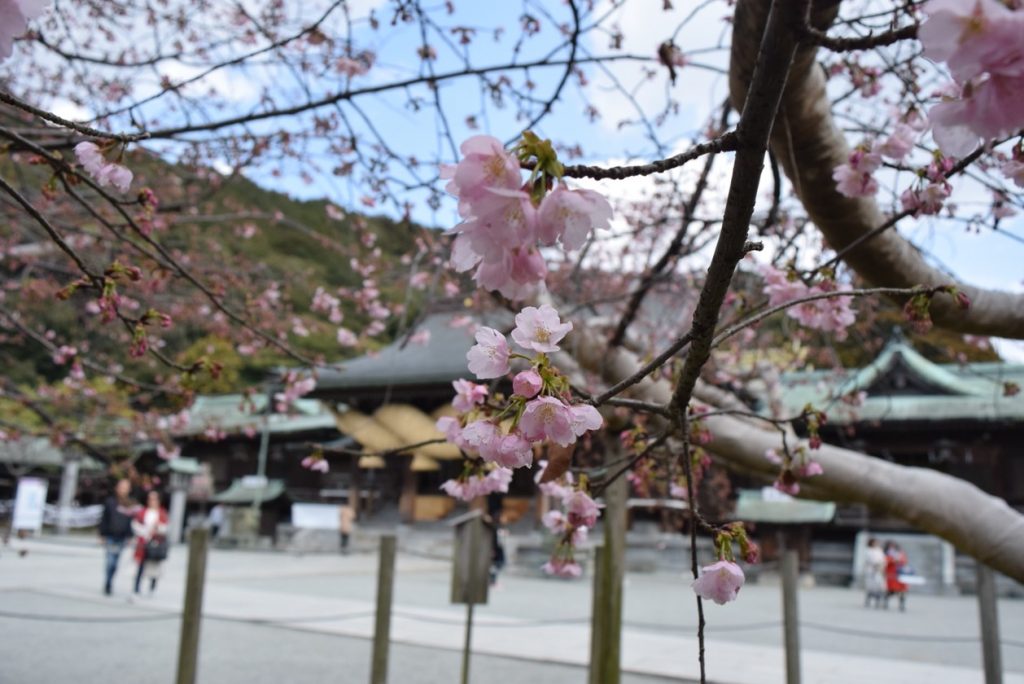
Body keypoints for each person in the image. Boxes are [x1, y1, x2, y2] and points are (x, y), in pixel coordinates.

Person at [99, 479, 139, 596]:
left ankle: (110, 580)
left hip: (122, 537)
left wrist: (130, 536)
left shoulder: (130, 504)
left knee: (116, 561)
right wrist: (102, 534)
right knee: (110, 560)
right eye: (121, 487)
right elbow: (105, 519)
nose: (123, 489)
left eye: (125, 487)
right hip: (111, 535)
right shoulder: (110, 502)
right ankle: (108, 581)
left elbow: (131, 522)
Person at [132, 490, 169, 596]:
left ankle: (152, 588)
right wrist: (145, 531)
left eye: (155, 499)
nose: (152, 501)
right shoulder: (142, 512)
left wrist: (158, 529)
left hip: (156, 543)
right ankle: (136, 588)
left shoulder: (162, 513)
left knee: (154, 567)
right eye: (150, 499)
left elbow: (165, 528)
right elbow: (135, 525)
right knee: (140, 567)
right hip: (143, 542)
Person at [884, 541, 909, 611]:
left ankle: (902, 605)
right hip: (892, 574)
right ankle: (885, 602)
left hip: (900, 574)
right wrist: (893, 561)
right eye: (890, 546)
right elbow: (885, 562)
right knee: (891, 590)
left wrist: (899, 561)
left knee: (902, 591)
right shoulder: (887, 554)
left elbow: (904, 561)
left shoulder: (901, 553)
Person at [863, 537, 887, 609]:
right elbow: (869, 560)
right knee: (871, 586)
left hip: (879, 570)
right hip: (871, 570)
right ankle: (868, 599)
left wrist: (882, 566)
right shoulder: (868, 550)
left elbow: (883, 560)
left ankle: (878, 601)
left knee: (879, 586)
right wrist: (875, 565)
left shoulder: (879, 550)